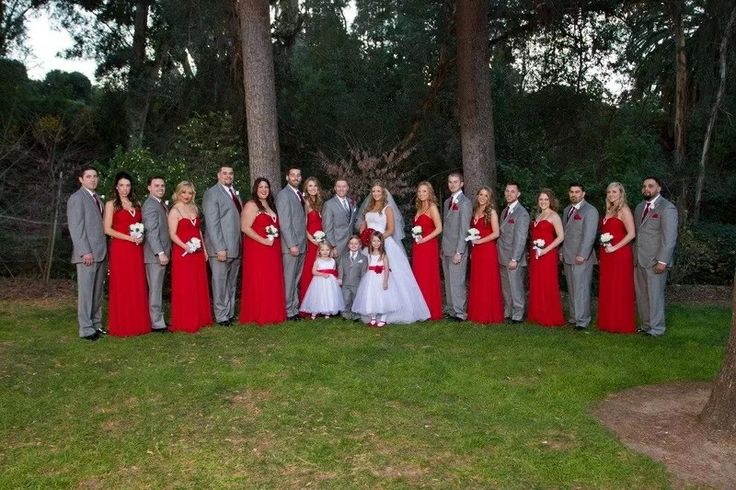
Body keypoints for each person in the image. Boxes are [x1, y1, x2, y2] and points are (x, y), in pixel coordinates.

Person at [358, 181, 430, 323]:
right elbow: (363, 226)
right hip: (370, 247)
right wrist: (365, 237)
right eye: (373, 191)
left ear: (383, 193)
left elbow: (391, 229)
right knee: (371, 278)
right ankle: (373, 309)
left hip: (384, 243)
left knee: (391, 276)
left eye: (378, 191)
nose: (376, 194)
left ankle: (393, 310)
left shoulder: (388, 208)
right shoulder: (368, 208)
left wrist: (377, 240)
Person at [102, 172, 151, 337]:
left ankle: (138, 322)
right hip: (121, 249)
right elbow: (107, 229)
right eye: (121, 185)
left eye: (127, 185)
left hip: (136, 249)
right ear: (116, 186)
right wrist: (129, 238)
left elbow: (140, 225)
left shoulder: (136, 203)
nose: (124, 189)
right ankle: (122, 324)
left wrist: (140, 236)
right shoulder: (111, 204)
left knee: (136, 283)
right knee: (122, 284)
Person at [67, 165, 108, 341]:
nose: (93, 179)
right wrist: (85, 252)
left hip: (100, 252)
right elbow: (76, 228)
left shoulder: (97, 198)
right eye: (89, 176)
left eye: (95, 176)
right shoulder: (77, 198)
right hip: (87, 255)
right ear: (81, 179)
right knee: (86, 292)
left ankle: (96, 324)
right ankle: (85, 328)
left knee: (97, 291)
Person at [633, 176, 678, 336]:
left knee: (655, 296)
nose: (647, 189)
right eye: (644, 186)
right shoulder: (639, 208)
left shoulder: (667, 208)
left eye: (650, 186)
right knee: (642, 295)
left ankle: (657, 328)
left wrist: (663, 260)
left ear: (659, 188)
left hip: (655, 260)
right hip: (639, 259)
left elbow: (670, 237)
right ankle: (646, 325)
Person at [239, 178, 287, 326]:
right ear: (256, 188)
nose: (264, 189)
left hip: (272, 249)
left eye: (266, 187)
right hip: (258, 249)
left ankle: (273, 312)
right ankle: (260, 313)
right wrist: (263, 241)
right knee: (260, 279)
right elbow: (245, 228)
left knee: (272, 279)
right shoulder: (251, 205)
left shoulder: (270, 205)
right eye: (261, 187)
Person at [168, 181, 212, 333]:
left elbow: (198, 231)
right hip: (183, 253)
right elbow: (172, 234)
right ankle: (186, 319)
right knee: (186, 285)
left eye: (190, 193)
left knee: (198, 283)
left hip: (197, 252)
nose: (186, 196)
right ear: (178, 193)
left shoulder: (194, 208)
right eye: (183, 192)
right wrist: (185, 246)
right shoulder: (174, 211)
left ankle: (201, 318)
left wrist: (204, 250)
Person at [203, 166, 242, 327]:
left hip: (235, 246)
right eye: (224, 173)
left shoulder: (234, 193)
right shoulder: (212, 193)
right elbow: (212, 223)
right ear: (218, 175)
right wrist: (219, 247)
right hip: (221, 248)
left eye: (231, 173)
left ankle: (230, 312)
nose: (228, 176)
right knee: (220, 283)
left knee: (231, 283)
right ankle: (221, 316)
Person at [598, 182, 637, 334]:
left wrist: (614, 247)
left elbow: (631, 233)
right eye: (609, 192)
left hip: (620, 254)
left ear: (621, 193)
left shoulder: (624, 209)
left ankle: (620, 322)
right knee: (608, 286)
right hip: (607, 254)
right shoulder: (609, 209)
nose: (611, 195)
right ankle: (608, 321)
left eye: (614, 192)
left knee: (618, 286)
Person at [560, 183, 599, 330]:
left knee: (581, 288)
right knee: (571, 287)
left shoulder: (590, 211)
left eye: (577, 192)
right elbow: (564, 234)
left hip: (582, 256)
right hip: (568, 255)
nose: (573, 194)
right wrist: (561, 251)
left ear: (583, 194)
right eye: (571, 192)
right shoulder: (566, 210)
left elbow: (590, 235)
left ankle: (583, 320)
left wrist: (582, 254)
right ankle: (574, 316)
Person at [527, 189, 566, 327]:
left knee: (547, 282)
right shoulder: (538, 215)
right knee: (537, 282)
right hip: (536, 254)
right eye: (541, 199)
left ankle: (548, 315)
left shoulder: (554, 216)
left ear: (551, 201)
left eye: (546, 199)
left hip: (547, 254)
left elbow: (561, 236)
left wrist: (546, 250)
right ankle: (537, 313)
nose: (543, 202)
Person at [466, 186, 504, 324]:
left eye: (486, 195)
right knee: (477, 280)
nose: (482, 197)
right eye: (480, 194)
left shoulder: (491, 212)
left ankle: (488, 314)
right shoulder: (475, 211)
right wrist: (472, 248)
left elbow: (496, 233)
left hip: (488, 250)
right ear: (477, 196)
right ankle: (476, 313)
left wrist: (480, 241)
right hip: (477, 251)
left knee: (487, 281)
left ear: (490, 198)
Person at [276, 167, 306, 320]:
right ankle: (288, 310)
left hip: (302, 244)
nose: (295, 177)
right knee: (289, 279)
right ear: (287, 177)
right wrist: (291, 244)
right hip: (292, 246)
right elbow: (285, 222)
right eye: (292, 175)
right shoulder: (284, 195)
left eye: (298, 175)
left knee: (296, 279)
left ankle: (294, 308)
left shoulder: (299, 194)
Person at [352, 231, 401, 327]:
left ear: (382, 242)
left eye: (378, 241)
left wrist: (385, 281)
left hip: (381, 278)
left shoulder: (383, 255)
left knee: (383, 297)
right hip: (371, 279)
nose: (376, 243)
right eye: (374, 241)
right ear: (370, 242)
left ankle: (383, 318)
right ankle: (373, 318)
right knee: (372, 296)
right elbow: (368, 267)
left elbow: (387, 268)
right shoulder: (369, 254)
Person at [441, 171, 472, 321]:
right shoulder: (447, 202)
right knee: (448, 281)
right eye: (450, 182)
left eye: (455, 182)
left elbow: (464, 229)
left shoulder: (465, 203)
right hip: (446, 248)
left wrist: (460, 251)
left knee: (457, 282)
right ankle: (451, 309)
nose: (452, 185)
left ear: (461, 184)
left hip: (457, 250)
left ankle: (460, 313)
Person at [497, 182, 530, 323]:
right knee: (506, 288)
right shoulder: (505, 211)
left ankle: (518, 315)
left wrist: (515, 258)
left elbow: (521, 238)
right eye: (507, 191)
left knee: (516, 287)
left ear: (518, 194)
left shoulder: (521, 214)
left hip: (513, 257)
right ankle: (508, 312)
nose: (509, 194)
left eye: (512, 191)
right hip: (502, 255)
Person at [142, 175, 171, 333]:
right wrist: (160, 253)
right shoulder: (150, 205)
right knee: (155, 289)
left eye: (162, 185)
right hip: (155, 256)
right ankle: (157, 323)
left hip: (162, 253)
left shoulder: (160, 204)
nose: (160, 188)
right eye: (156, 185)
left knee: (158, 288)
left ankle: (158, 318)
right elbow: (151, 232)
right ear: (149, 187)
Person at [411, 181, 443, 320]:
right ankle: (419, 309)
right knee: (418, 276)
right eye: (419, 191)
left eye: (424, 191)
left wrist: (425, 239)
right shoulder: (419, 208)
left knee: (427, 276)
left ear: (429, 192)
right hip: (418, 247)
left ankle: (430, 309)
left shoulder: (432, 207)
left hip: (429, 246)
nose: (421, 194)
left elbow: (439, 228)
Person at [300, 242, 345, 319]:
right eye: (323, 250)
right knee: (318, 295)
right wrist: (322, 274)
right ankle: (314, 312)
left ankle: (327, 312)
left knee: (329, 295)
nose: (325, 252)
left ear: (330, 251)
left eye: (327, 250)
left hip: (330, 282)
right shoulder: (318, 260)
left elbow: (334, 271)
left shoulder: (332, 261)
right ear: (319, 251)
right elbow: (313, 272)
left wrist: (336, 279)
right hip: (319, 281)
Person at [298, 177, 324, 301]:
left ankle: (319, 302)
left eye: (315, 186)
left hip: (321, 240)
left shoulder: (320, 202)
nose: (313, 188)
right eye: (310, 186)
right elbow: (303, 224)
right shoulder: (306, 202)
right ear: (306, 189)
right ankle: (306, 302)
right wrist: (311, 239)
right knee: (310, 269)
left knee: (320, 269)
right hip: (311, 241)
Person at [322, 179, 357, 258]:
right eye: (339, 186)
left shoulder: (352, 202)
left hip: (351, 244)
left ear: (347, 188)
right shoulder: (329, 204)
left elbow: (352, 223)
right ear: (335, 188)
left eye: (344, 186)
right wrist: (332, 246)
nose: (341, 189)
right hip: (337, 245)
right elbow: (327, 228)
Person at [337, 235, 368, 320]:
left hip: (357, 283)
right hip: (346, 282)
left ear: (360, 245)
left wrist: (363, 282)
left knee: (356, 298)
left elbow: (364, 271)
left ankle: (356, 315)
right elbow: (340, 268)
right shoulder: (344, 257)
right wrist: (340, 278)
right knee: (346, 298)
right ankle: (345, 314)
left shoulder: (363, 258)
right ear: (348, 245)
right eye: (351, 243)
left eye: (356, 243)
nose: (353, 245)